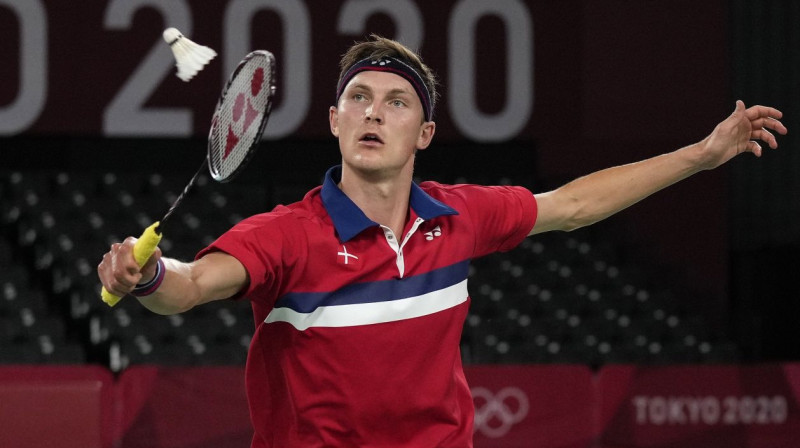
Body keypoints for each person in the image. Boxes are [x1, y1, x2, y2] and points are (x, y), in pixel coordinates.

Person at [98, 34, 787, 447]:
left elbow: (574, 204)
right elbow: (190, 287)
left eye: (396, 102)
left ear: (422, 135)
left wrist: (699, 155)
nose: (374, 111)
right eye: (359, 99)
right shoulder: (288, 235)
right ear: (335, 122)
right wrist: (149, 276)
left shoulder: (458, 218)